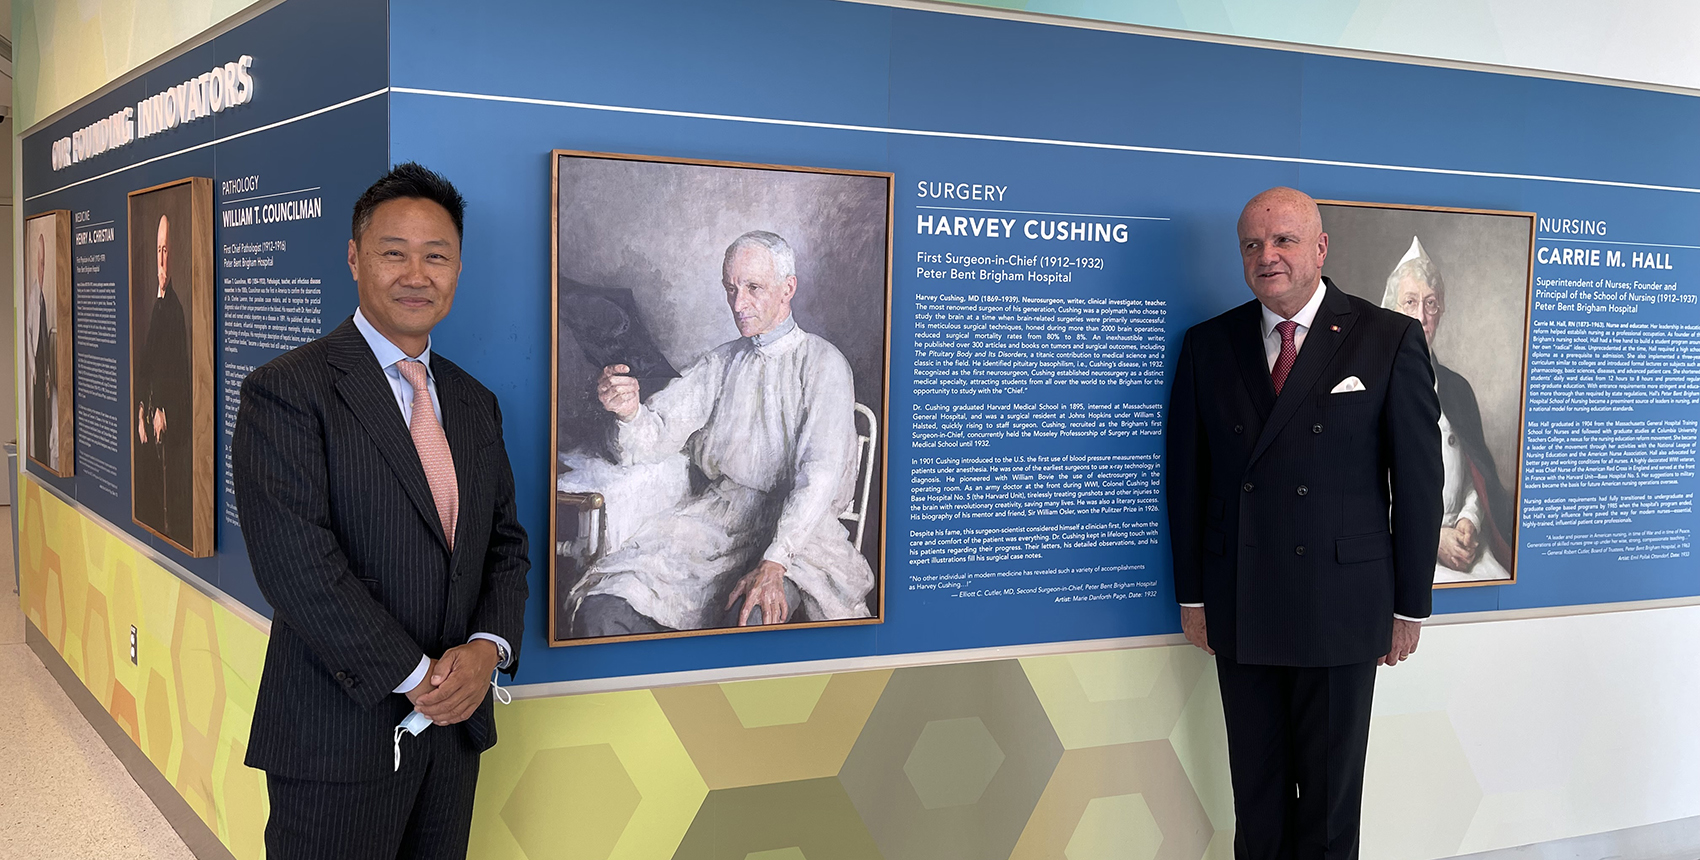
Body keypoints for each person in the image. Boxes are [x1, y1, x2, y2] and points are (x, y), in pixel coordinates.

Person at [232, 163, 529, 860]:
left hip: (454, 736)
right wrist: (418, 678)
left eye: (437, 256)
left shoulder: (472, 401)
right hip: (337, 736)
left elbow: (505, 547)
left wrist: (487, 652)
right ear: (355, 257)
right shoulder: (289, 391)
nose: (416, 274)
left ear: (458, 268)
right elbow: (299, 568)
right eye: (394, 252)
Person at [1166, 187, 1443, 858]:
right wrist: (1194, 596)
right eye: (1253, 245)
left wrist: (1409, 606)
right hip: (1242, 603)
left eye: (1284, 240)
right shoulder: (1210, 344)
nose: (1269, 256)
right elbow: (1186, 482)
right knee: (1256, 804)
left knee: (1327, 810)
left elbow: (1418, 484)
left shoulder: (1387, 338)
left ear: (1320, 248)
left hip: (1343, 610)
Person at [567, 230, 873, 637]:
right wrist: (629, 411)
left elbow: (820, 476)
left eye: (752, 288)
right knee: (605, 608)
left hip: (801, 538)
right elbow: (656, 434)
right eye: (730, 288)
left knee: (750, 620)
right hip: (717, 522)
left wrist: (775, 560)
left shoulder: (824, 363)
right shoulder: (721, 362)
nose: (738, 303)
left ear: (788, 288)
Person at [1383, 237, 1515, 582]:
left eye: (1431, 303)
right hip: (1397, 543)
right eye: (1410, 302)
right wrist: (1430, 538)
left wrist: (1470, 519)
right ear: (1392, 309)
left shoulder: (1457, 388)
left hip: (1462, 541)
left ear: (1441, 310)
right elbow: (1360, 489)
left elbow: (1476, 475)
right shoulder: (1370, 385)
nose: (1421, 317)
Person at [134, 213, 193, 543]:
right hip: (151, 420)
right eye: (158, 249)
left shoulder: (174, 310)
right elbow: (148, 364)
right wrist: (142, 406)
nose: (161, 257)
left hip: (168, 429)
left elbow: (177, 372)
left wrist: (164, 411)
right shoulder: (156, 307)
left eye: (166, 249)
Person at [28, 231, 59, 467]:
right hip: (35, 367)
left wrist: (47, 372)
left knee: (46, 418)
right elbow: (30, 337)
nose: (42, 268)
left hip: (43, 369)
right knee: (39, 417)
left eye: (44, 264)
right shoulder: (32, 298)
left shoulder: (43, 299)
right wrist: (35, 368)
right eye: (40, 263)